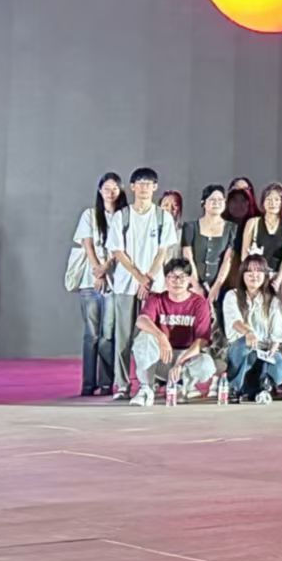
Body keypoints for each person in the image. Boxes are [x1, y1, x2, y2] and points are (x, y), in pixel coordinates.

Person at [105, 167, 179, 401]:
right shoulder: (122, 216)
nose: (144, 188)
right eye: (140, 183)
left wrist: (149, 279)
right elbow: (117, 251)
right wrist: (139, 277)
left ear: (155, 187)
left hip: (154, 287)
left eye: (149, 183)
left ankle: (150, 381)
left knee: (152, 335)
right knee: (123, 338)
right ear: (132, 187)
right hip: (126, 286)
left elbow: (162, 251)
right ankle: (122, 385)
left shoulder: (163, 217)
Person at [130, 258, 216, 406]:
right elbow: (141, 320)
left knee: (206, 364)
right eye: (172, 277)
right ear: (165, 279)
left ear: (189, 280)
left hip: (185, 357)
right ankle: (146, 388)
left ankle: (184, 386)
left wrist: (180, 362)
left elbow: (201, 341)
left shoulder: (199, 303)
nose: (177, 281)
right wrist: (161, 336)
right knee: (144, 338)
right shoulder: (156, 299)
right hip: (162, 356)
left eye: (182, 277)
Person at [70, 172, 125, 396]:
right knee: (90, 334)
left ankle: (106, 382)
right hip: (90, 280)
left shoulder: (124, 216)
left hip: (114, 281)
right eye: (106, 188)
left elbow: (121, 248)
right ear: (100, 190)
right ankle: (87, 383)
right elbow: (87, 244)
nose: (110, 193)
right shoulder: (90, 215)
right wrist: (98, 271)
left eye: (114, 189)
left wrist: (107, 267)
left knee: (107, 335)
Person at [222, 254, 282, 403]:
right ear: (242, 275)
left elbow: (278, 332)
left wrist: (273, 348)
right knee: (244, 346)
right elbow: (234, 321)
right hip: (240, 347)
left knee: (281, 370)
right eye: (249, 271)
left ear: (265, 275)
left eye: (259, 271)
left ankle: (262, 386)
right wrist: (248, 332)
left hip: (263, 349)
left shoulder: (273, 301)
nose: (254, 275)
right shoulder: (232, 296)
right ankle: (234, 388)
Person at [240, 182, 282, 322]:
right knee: (257, 316)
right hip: (257, 275)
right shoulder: (253, 223)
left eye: (277, 199)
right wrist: (253, 276)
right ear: (263, 202)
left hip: (280, 275)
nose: (273, 203)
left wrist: (278, 278)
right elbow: (244, 255)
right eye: (269, 199)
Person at [182, 184, 238, 304]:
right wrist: (196, 285)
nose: (216, 203)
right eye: (212, 199)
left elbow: (227, 260)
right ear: (203, 203)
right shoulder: (190, 226)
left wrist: (216, 286)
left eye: (220, 200)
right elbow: (188, 257)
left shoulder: (232, 228)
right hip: (192, 283)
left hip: (220, 284)